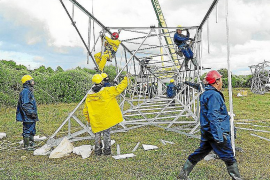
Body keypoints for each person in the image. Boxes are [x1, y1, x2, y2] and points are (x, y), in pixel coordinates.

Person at [177, 70, 242, 180]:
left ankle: (183, 173)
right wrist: (219, 137)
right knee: (229, 157)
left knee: (200, 153)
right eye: (220, 79)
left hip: (207, 131)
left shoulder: (206, 93)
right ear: (216, 81)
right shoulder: (214, 95)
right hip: (216, 132)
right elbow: (213, 116)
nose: (222, 82)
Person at [83, 74, 129, 156]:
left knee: (97, 134)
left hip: (95, 120)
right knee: (106, 134)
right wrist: (126, 79)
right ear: (102, 81)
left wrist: (89, 120)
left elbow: (85, 110)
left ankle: (97, 151)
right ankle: (107, 151)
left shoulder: (89, 95)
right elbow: (119, 88)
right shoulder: (107, 91)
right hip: (106, 119)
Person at [16, 75, 39, 151]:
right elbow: (25, 104)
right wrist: (31, 113)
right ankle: (27, 145)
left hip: (31, 115)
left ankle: (31, 143)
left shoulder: (29, 91)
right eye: (31, 80)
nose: (33, 82)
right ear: (27, 82)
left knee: (32, 129)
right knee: (27, 129)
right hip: (27, 115)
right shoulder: (25, 91)